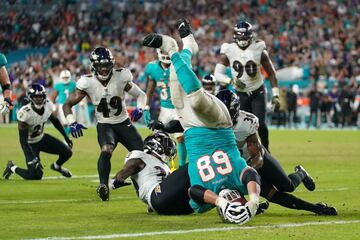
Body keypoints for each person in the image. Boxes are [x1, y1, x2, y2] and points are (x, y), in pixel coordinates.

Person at [142, 19, 261, 225]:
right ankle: (171, 48)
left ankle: (188, 46)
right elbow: (250, 173)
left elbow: (194, 191)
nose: (235, 200)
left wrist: (220, 203)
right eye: (238, 203)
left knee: (176, 87)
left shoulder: (206, 200)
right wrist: (253, 200)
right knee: (196, 98)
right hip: (217, 125)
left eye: (233, 205)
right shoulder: (239, 184)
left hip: (192, 129)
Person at [215, 89, 337, 215]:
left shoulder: (245, 122)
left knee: (287, 186)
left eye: (227, 112)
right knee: (273, 196)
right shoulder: (209, 126)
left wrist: (247, 172)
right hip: (238, 166)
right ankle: (316, 209)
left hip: (257, 160)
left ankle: (301, 173)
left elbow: (258, 156)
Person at [63, 47, 146, 201]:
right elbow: (67, 105)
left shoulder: (121, 76)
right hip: (105, 125)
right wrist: (71, 122)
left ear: (112, 64)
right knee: (106, 150)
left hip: (124, 123)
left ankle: (144, 192)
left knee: (141, 156)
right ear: (94, 66)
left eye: (107, 65)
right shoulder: (86, 82)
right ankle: (103, 186)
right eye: (100, 66)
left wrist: (140, 108)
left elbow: (141, 95)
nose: (104, 69)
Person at [214, 20, 279, 151]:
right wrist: (231, 81)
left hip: (257, 91)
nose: (243, 38)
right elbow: (217, 74)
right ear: (235, 36)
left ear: (250, 35)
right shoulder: (229, 50)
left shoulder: (259, 49)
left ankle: (266, 150)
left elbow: (271, 73)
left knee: (260, 125)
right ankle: (246, 152)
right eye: (240, 35)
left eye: (245, 35)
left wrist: (276, 94)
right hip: (240, 94)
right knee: (242, 126)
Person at [2, 83, 73, 180]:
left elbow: (55, 121)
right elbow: (23, 140)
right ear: (30, 98)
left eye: (40, 96)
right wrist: (31, 156)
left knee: (67, 152)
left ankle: (56, 166)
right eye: (35, 97)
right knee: (36, 175)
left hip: (42, 138)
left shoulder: (48, 105)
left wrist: (65, 136)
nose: (38, 99)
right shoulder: (25, 113)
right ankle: (12, 167)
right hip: (30, 144)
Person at [142, 48, 187, 169]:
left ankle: (182, 165)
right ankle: (164, 167)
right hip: (165, 109)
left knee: (181, 137)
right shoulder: (152, 68)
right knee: (161, 139)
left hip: (180, 107)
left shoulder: (178, 65)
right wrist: (146, 107)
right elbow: (150, 90)